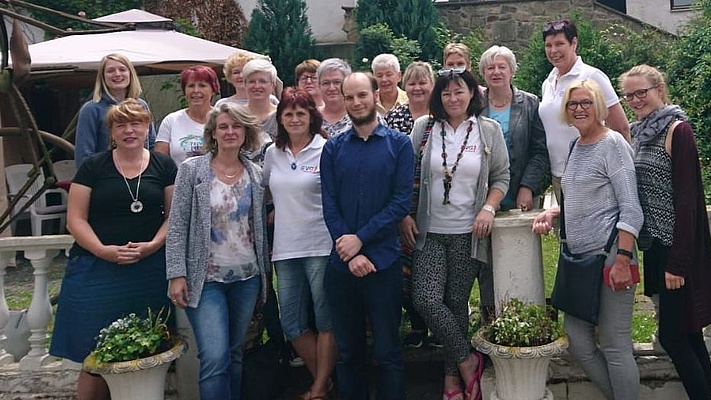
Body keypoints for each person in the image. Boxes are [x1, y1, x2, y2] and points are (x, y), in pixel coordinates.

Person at [50, 99, 176, 400]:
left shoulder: (164, 166)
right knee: (94, 354)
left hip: (148, 273)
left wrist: (153, 245)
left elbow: (174, 217)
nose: (129, 130)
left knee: (144, 349)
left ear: (148, 128)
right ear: (111, 131)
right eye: (121, 125)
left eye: (136, 123)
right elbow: (75, 219)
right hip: (97, 270)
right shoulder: (94, 166)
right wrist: (103, 250)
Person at [532, 79, 643, 400]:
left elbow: (631, 209)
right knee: (577, 339)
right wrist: (555, 214)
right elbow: (581, 198)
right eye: (572, 104)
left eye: (585, 103)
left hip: (611, 257)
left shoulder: (613, 144)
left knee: (614, 344)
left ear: (599, 107)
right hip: (578, 261)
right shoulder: (575, 146)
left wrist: (623, 259)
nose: (579, 109)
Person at [407, 68, 509, 400]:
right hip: (430, 232)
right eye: (447, 93)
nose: (453, 98)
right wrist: (405, 217)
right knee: (425, 299)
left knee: (454, 304)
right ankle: (468, 362)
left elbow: (501, 177)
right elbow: (407, 175)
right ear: (439, 96)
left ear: (471, 94)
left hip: (469, 232)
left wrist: (488, 208)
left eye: (459, 92)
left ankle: (452, 382)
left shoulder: (487, 130)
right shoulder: (425, 129)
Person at [166, 102, 269, 399]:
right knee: (214, 357)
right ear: (212, 133)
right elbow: (177, 225)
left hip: (247, 277)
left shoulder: (256, 173)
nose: (230, 132)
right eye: (223, 126)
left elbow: (259, 226)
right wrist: (177, 274)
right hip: (206, 278)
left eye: (236, 126)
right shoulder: (192, 170)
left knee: (235, 353)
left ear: (245, 131)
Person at [320, 72, 413, 400]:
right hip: (342, 267)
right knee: (349, 354)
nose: (356, 102)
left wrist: (361, 241)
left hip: (383, 264)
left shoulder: (399, 145)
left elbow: (401, 202)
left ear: (376, 94)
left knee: (388, 352)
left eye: (362, 95)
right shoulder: (332, 148)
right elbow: (329, 204)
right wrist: (350, 249)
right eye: (350, 97)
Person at [620, 65, 711, 399]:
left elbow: (688, 201)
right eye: (629, 95)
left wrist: (678, 262)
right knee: (688, 334)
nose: (634, 100)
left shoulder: (678, 129)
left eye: (641, 92)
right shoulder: (639, 132)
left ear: (659, 89)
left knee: (673, 337)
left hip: (677, 250)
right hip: (655, 246)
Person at [263, 87, 335, 399]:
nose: (294, 119)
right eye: (288, 114)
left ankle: (318, 387)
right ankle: (330, 377)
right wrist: (277, 209)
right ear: (280, 119)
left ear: (311, 117)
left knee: (324, 318)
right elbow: (265, 192)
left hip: (320, 244)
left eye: (300, 113)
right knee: (290, 321)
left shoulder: (326, 149)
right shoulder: (272, 153)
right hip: (285, 248)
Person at [538, 19, 630, 203]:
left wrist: (625, 174)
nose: (553, 50)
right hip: (560, 174)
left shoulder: (592, 76)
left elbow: (621, 127)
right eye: (548, 45)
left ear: (574, 43)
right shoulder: (548, 82)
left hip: (592, 174)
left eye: (559, 44)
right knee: (568, 230)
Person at [384, 61, 439, 348]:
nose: (417, 88)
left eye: (423, 82)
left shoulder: (441, 116)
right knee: (406, 267)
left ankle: (439, 323)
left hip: (437, 204)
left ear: (432, 85)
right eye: (412, 83)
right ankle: (417, 325)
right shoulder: (395, 117)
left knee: (434, 267)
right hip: (404, 202)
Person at [479, 45, 549, 212]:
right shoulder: (473, 105)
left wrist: (528, 187)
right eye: (490, 68)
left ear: (511, 71)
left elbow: (539, 151)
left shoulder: (530, 103)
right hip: (481, 194)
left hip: (520, 192)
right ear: (483, 73)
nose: (496, 72)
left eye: (502, 67)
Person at [75, 53, 156, 167]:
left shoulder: (141, 105)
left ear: (130, 74)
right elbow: (84, 155)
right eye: (111, 71)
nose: (117, 74)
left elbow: (151, 144)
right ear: (103, 77)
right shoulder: (91, 109)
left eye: (122, 69)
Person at [155, 65, 220, 165]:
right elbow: (159, 162)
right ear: (184, 91)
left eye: (202, 85)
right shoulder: (171, 121)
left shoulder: (223, 119)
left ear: (213, 90)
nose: (196, 91)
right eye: (191, 86)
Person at [317, 58, 352, 137]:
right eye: (326, 83)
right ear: (319, 86)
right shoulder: (311, 118)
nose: (331, 88)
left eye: (337, 82)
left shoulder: (362, 115)